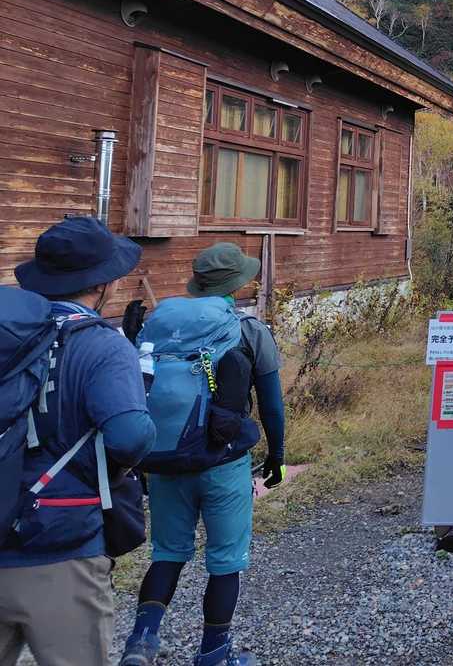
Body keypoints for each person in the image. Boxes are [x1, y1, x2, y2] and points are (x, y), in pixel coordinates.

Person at [121, 243, 286, 666]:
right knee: (226, 560)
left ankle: (141, 640)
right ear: (239, 283)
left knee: (167, 553)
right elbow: (271, 405)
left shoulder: (159, 326)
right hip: (223, 463)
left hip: (165, 459)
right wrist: (276, 455)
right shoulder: (249, 330)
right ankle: (213, 653)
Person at [1, 216, 156, 666]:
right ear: (103, 284)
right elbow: (130, 438)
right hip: (60, 542)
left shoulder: (8, 336)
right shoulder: (104, 346)